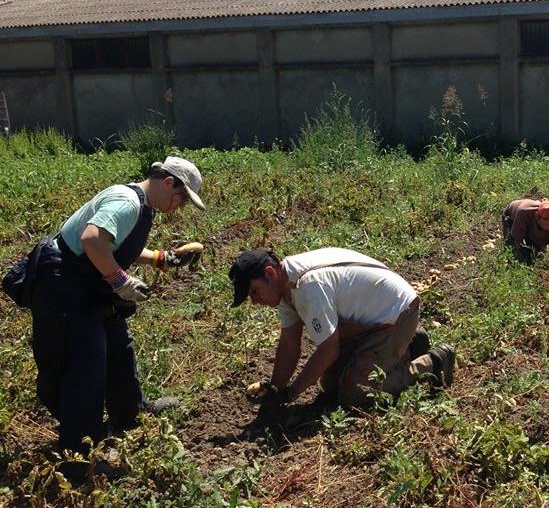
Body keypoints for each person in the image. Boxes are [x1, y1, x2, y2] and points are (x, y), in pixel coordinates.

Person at [26, 156, 206, 466]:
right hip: (64, 283)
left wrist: (163, 259)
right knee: (86, 361)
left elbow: (117, 246)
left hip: (87, 281)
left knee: (118, 347)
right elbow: (93, 239)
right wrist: (120, 281)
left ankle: (128, 412)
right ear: (167, 182)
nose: (181, 207)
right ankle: (78, 456)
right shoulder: (127, 202)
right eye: (182, 198)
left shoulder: (143, 205)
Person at [230, 247, 455, 411]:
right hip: (374, 319)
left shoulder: (307, 287)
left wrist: (292, 392)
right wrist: (275, 389)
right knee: (330, 382)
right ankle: (410, 342)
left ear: (270, 274)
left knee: (355, 394)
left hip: (396, 315)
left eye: (254, 292)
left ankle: (433, 363)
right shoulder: (286, 285)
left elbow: (329, 350)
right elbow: (289, 344)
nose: (254, 301)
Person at [500, 198, 549, 265]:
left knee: (538, 253)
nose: (546, 229)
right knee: (511, 248)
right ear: (536, 216)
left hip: (531, 223)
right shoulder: (523, 212)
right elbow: (516, 240)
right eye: (545, 225)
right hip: (511, 217)